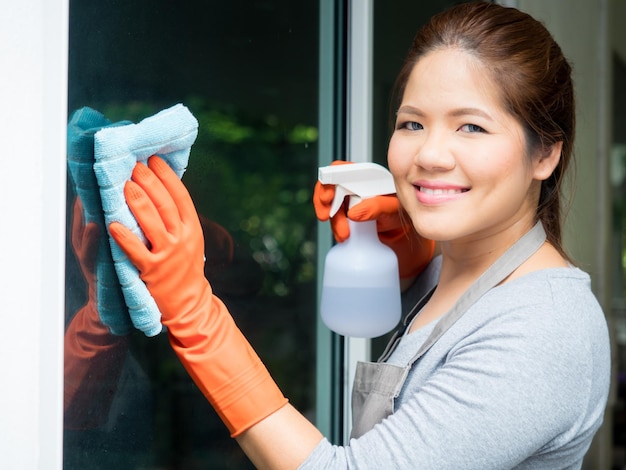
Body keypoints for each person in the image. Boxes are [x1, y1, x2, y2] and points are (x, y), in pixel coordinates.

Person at [108, 1, 611, 468]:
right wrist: (410, 261)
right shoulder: (454, 276)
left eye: (471, 127)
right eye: (412, 124)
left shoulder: (543, 330)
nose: (430, 156)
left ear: (545, 154)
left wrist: (197, 316)